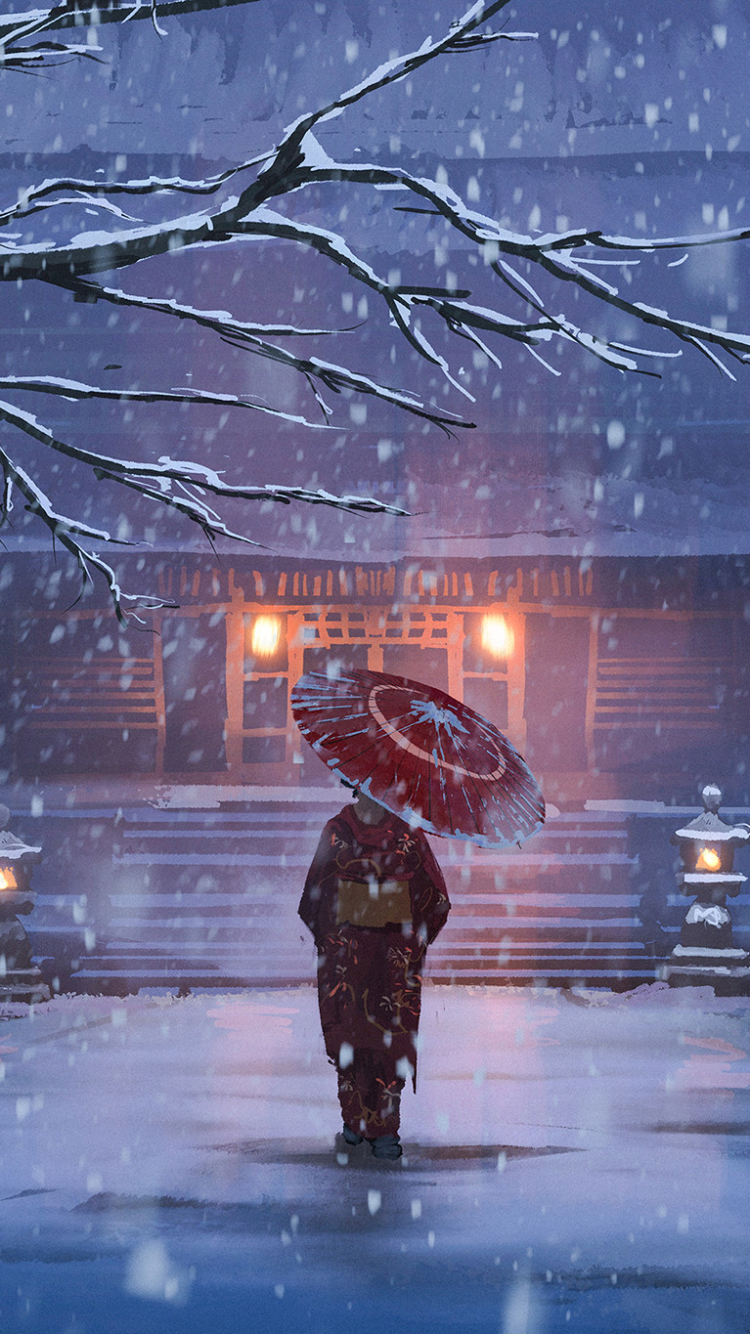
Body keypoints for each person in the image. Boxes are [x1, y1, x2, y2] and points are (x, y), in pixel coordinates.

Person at [299, 786, 451, 1160]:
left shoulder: (390, 833)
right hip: (370, 952)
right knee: (362, 1037)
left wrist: (354, 913)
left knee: (381, 1039)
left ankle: (376, 1126)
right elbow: (434, 902)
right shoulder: (364, 832)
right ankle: (360, 1122)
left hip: (373, 954)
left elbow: (314, 900)